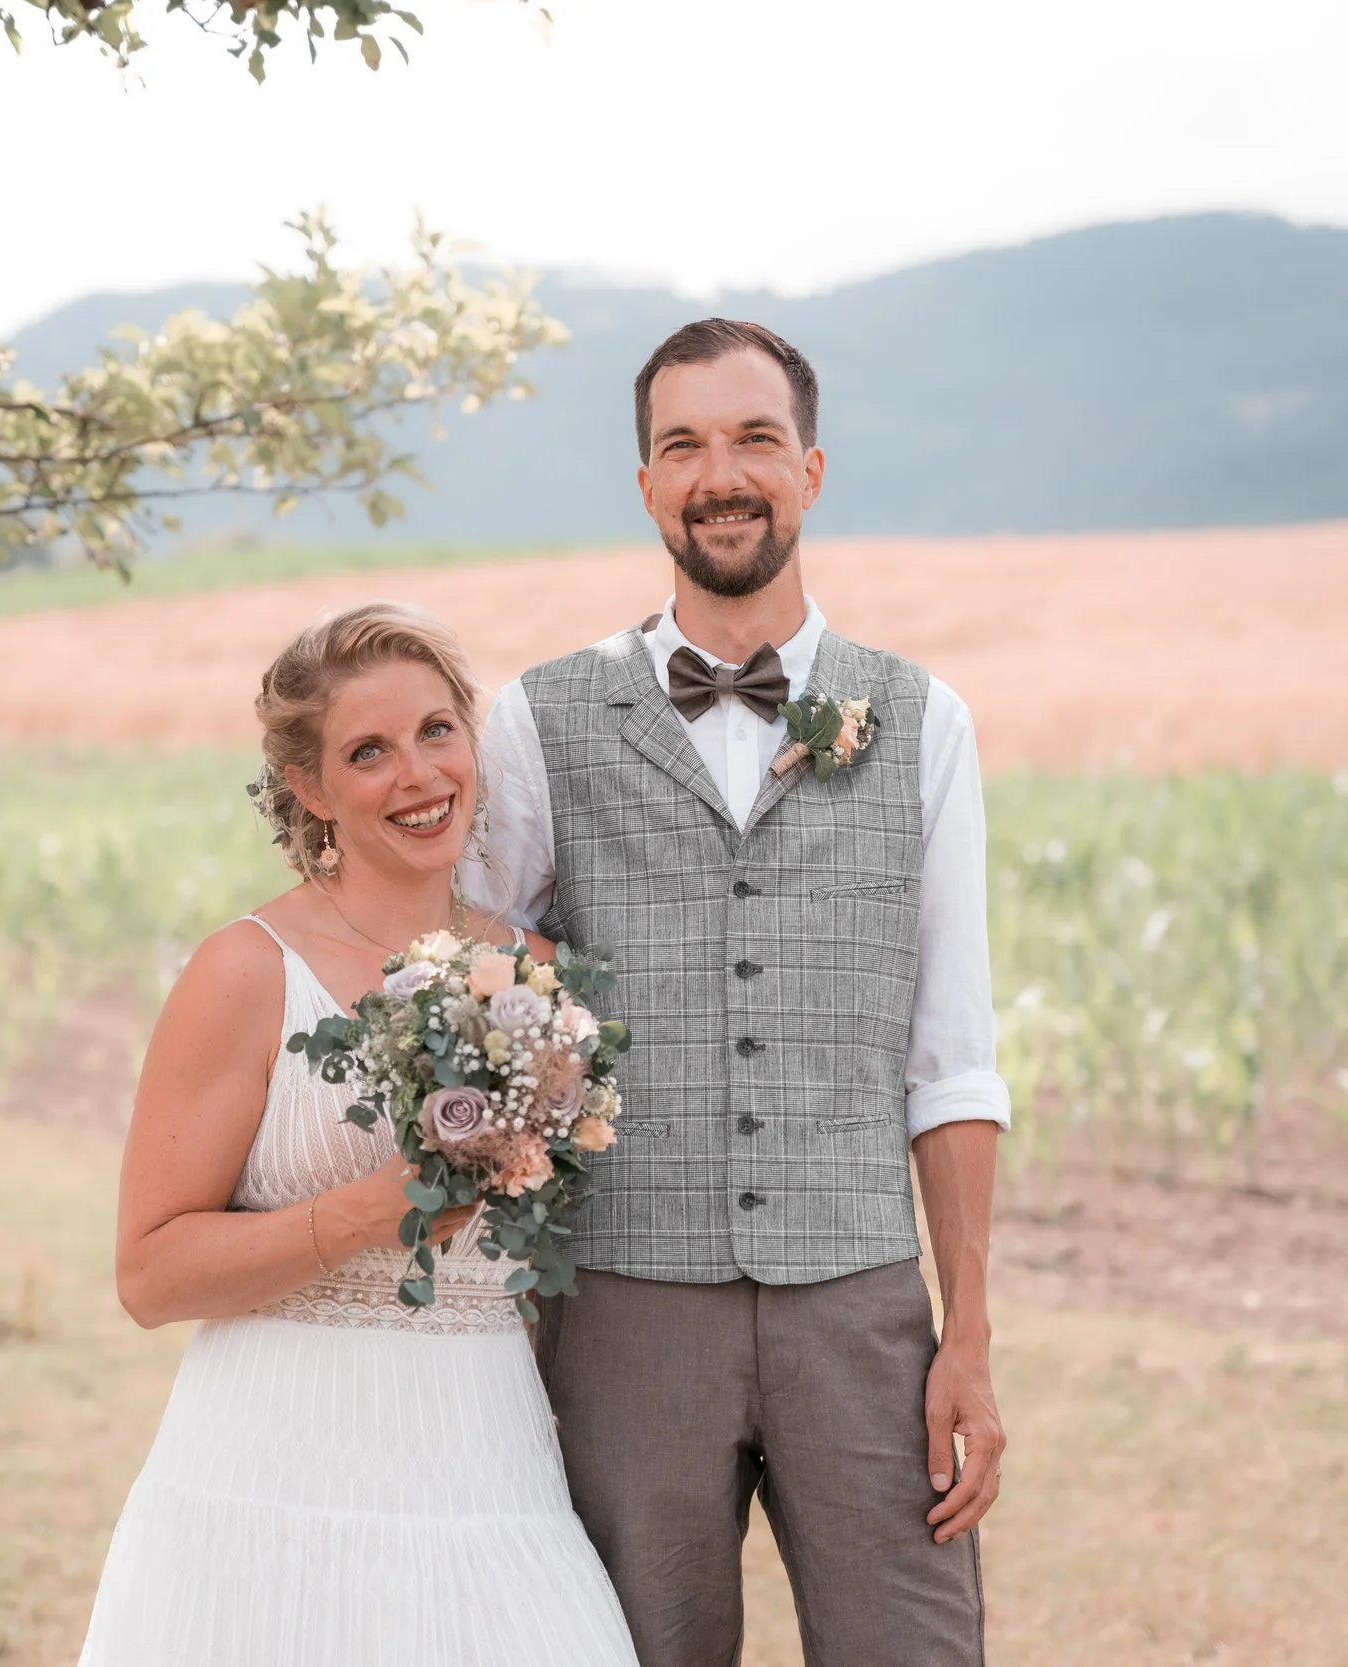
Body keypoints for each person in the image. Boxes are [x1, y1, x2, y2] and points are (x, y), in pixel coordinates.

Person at [462, 318, 1010, 1667]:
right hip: (620, 1310)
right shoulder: (535, 721)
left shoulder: (923, 721)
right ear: (647, 483)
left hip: (861, 1307)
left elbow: (950, 1056)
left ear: (810, 469)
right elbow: (476, 1015)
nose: (722, 475)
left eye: (755, 438)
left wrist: (969, 1335)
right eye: (685, 445)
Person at [76, 603, 638, 1666]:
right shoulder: (248, 970)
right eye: (367, 751)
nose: (418, 774)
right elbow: (148, 1275)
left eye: (436, 730)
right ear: (311, 787)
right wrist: (364, 1216)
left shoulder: (543, 980)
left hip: (490, 1465)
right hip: (267, 1475)